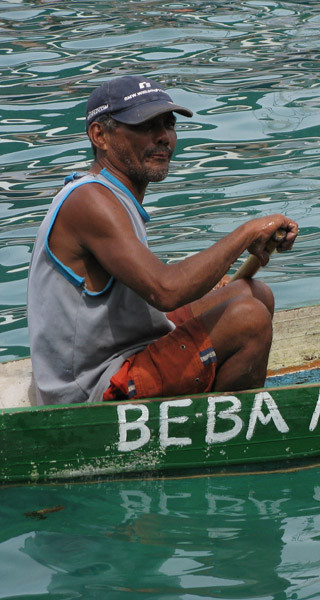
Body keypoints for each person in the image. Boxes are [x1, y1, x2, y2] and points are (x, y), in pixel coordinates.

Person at [27, 75, 298, 405]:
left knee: (254, 292)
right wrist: (246, 234)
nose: (163, 138)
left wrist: (221, 271)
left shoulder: (112, 194)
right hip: (92, 390)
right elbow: (166, 290)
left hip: (127, 353)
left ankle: (212, 412)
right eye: (144, 126)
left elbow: (148, 287)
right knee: (248, 319)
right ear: (100, 135)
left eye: (168, 125)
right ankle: (222, 438)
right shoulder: (89, 201)